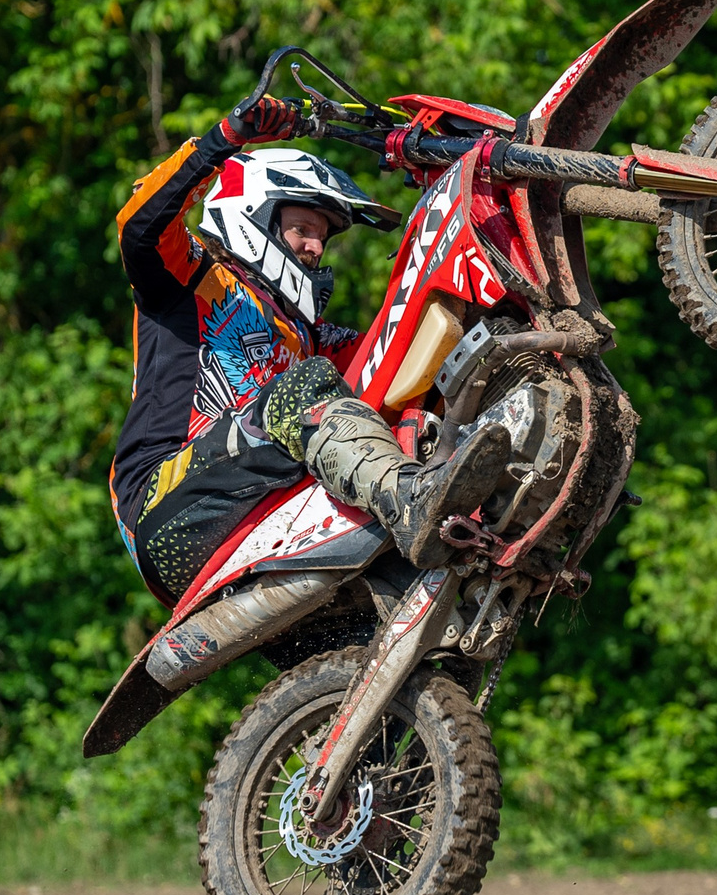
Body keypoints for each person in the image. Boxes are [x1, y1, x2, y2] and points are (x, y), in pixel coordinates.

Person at [108, 96, 511, 607]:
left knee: (405, 403)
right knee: (304, 386)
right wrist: (224, 139)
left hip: (258, 525)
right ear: (253, 213)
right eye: (304, 229)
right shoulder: (189, 276)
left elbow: (402, 353)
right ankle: (410, 500)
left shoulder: (305, 336)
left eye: (322, 236)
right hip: (163, 510)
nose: (316, 249)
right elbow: (139, 229)